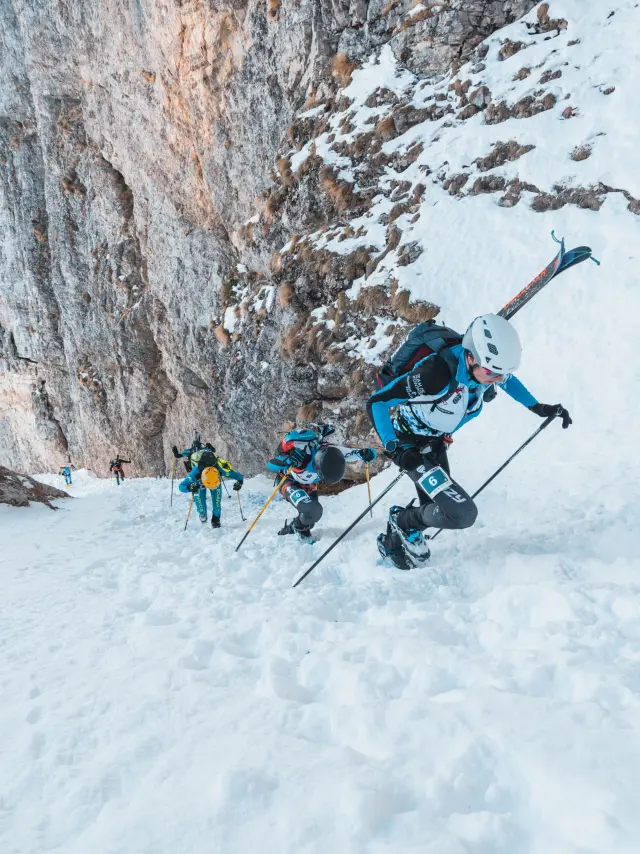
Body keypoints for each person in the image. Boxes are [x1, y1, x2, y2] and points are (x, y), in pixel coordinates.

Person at [367, 314, 571, 569]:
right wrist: (394, 449)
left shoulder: (485, 369)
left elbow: (507, 380)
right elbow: (377, 402)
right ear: (471, 357)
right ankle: (403, 520)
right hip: (411, 447)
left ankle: (396, 537)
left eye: (501, 373)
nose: (499, 379)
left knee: (435, 509)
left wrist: (538, 407)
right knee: (459, 514)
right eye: (493, 373)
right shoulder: (435, 375)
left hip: (435, 442)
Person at [267, 424, 377, 542]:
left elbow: (356, 453)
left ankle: (294, 527)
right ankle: (298, 528)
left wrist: (368, 453)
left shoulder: (333, 454)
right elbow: (271, 465)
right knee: (313, 511)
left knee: (310, 519)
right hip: (288, 481)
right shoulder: (301, 452)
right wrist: (289, 460)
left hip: (308, 486)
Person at [178, 448, 244, 528]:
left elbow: (238, 476)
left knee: (217, 504)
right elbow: (181, 487)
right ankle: (202, 514)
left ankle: (215, 520)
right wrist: (190, 488)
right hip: (199, 483)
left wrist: (240, 482)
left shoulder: (220, 469)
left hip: (215, 482)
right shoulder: (195, 473)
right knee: (201, 507)